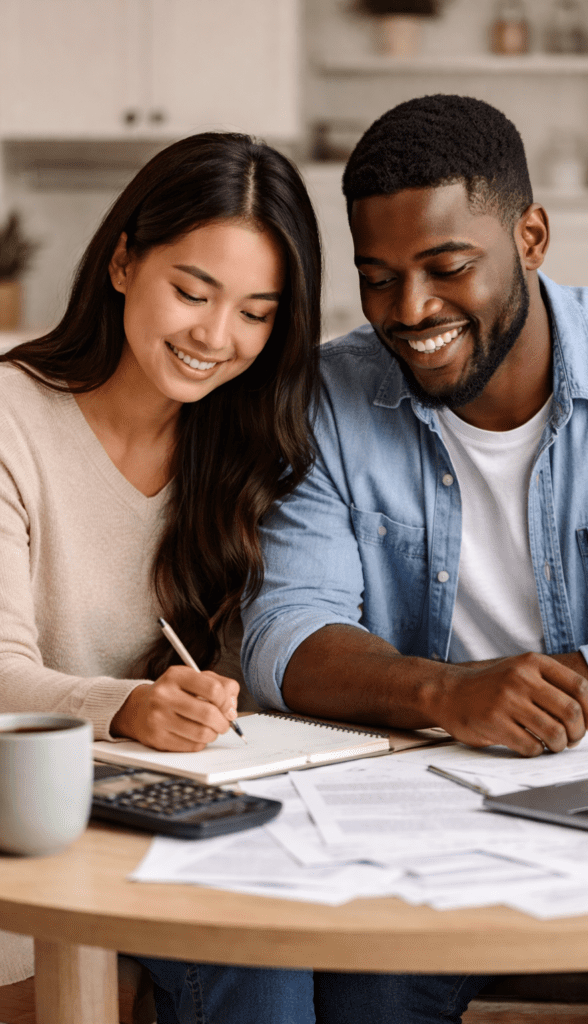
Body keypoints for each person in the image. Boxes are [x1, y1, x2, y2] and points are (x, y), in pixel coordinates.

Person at [241, 92, 588, 1018]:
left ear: (529, 238)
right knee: (366, 986)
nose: (409, 311)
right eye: (376, 277)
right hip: (421, 822)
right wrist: (448, 692)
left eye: (447, 267)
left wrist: (563, 684)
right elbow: (284, 631)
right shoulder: (328, 395)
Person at [0, 131, 324, 1023]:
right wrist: (131, 704)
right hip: (30, 815)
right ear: (120, 263)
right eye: (191, 292)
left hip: (181, 818)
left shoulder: (252, 448)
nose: (216, 338)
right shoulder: (12, 421)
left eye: (257, 313)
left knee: (268, 953)